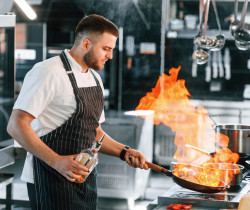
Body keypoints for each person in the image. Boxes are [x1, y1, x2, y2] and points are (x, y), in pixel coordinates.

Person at [7, 14, 149, 210]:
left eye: (112, 49)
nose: (110, 56)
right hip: (49, 178)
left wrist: (124, 151)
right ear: (86, 44)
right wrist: (57, 162)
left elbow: (95, 133)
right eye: (106, 49)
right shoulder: (48, 72)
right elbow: (16, 125)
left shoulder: (95, 79)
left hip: (84, 179)